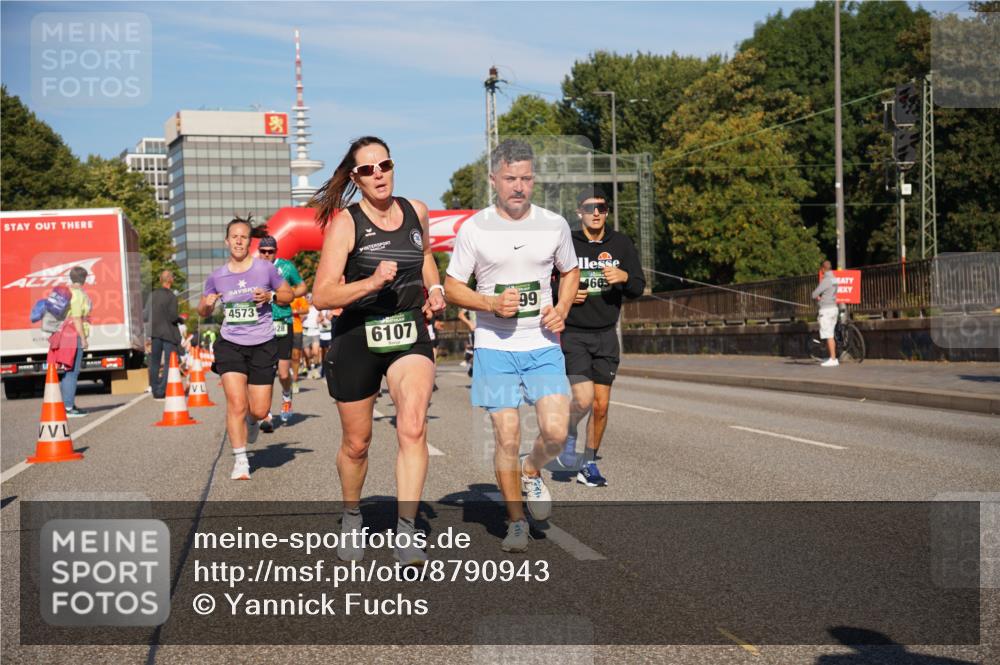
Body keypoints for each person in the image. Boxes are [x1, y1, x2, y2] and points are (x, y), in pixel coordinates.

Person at [311, 136, 446, 565]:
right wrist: (370, 283)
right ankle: (352, 515)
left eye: (384, 165)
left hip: (408, 331)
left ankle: (406, 535)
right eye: (367, 170)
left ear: (392, 167)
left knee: (412, 425)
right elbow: (321, 295)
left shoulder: (416, 211)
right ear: (355, 178)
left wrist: (436, 286)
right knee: (357, 443)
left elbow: (424, 255)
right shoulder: (346, 225)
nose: (378, 175)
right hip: (356, 334)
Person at [444, 139, 579, 553]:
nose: (518, 187)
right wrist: (488, 303)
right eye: (510, 179)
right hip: (495, 348)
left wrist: (563, 306)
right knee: (507, 434)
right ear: (493, 180)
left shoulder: (553, 225)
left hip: (541, 344)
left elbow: (570, 271)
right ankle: (516, 521)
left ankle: (532, 471)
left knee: (556, 432)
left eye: (525, 178)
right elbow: (452, 287)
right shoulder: (475, 228)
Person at [556, 187, 646, 487]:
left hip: (607, 334)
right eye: (590, 207)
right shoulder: (567, 241)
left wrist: (624, 278)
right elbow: (548, 281)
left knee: (601, 405)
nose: (596, 212)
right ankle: (569, 433)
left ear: (607, 211)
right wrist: (565, 294)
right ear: (579, 211)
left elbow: (638, 287)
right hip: (575, 334)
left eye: (602, 207)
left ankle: (589, 462)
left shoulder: (620, 243)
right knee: (583, 400)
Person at [198, 216, 293, 481]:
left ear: (249, 242)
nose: (239, 240)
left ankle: (253, 422)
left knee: (260, 410)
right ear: (227, 241)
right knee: (236, 403)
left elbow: (289, 296)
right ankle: (241, 460)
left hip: (262, 342)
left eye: (243, 236)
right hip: (230, 344)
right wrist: (208, 304)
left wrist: (271, 296)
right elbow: (202, 309)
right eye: (234, 236)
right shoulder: (217, 276)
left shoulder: (265, 269)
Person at [256, 235, 307, 428]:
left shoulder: (286, 267)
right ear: (259, 251)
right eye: (263, 251)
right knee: (265, 371)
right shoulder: (253, 267)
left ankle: (286, 397)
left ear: (275, 252)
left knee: (283, 374)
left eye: (270, 251)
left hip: (283, 320)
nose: (266, 255)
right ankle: (266, 412)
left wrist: (287, 295)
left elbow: (302, 286)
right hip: (262, 322)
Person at [59, 265, 92, 417]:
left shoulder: (68, 291)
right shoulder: (77, 294)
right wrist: (83, 339)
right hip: (74, 335)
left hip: (66, 334)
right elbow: (77, 318)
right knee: (72, 372)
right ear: (84, 279)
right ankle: (68, 407)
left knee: (69, 371)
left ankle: (68, 404)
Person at [145, 270, 182, 401]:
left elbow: (145, 315)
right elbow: (173, 317)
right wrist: (180, 319)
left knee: (154, 363)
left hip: (155, 333)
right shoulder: (172, 296)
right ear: (170, 280)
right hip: (168, 334)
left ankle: (155, 390)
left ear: (161, 280)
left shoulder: (152, 295)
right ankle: (163, 390)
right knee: (169, 363)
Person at [812, 260, 840, 367]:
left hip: (826, 310)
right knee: (831, 334)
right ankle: (832, 357)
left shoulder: (826, 280)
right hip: (834, 308)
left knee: (828, 335)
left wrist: (819, 298)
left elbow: (814, 294)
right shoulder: (834, 279)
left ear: (823, 269)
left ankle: (833, 358)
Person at [290, 294, 310, 392]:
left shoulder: (297, 295)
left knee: (296, 355)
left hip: (296, 329)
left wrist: (293, 311)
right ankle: (287, 373)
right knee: (283, 357)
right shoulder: (275, 291)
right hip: (280, 328)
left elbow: (306, 310)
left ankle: (294, 380)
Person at [303, 297, 323, 379]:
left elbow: (321, 317)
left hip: (315, 332)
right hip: (306, 332)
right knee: (307, 354)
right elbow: (299, 318)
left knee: (316, 352)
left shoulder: (317, 308)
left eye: (311, 298)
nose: (309, 299)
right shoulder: (303, 308)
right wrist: (302, 316)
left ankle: (314, 368)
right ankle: (309, 366)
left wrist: (320, 319)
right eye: (307, 298)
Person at [457, 308, 476, 375]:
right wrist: (470, 324)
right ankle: (472, 367)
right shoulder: (471, 301)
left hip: (486, 332)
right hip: (475, 332)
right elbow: (460, 315)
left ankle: (472, 367)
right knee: (475, 354)